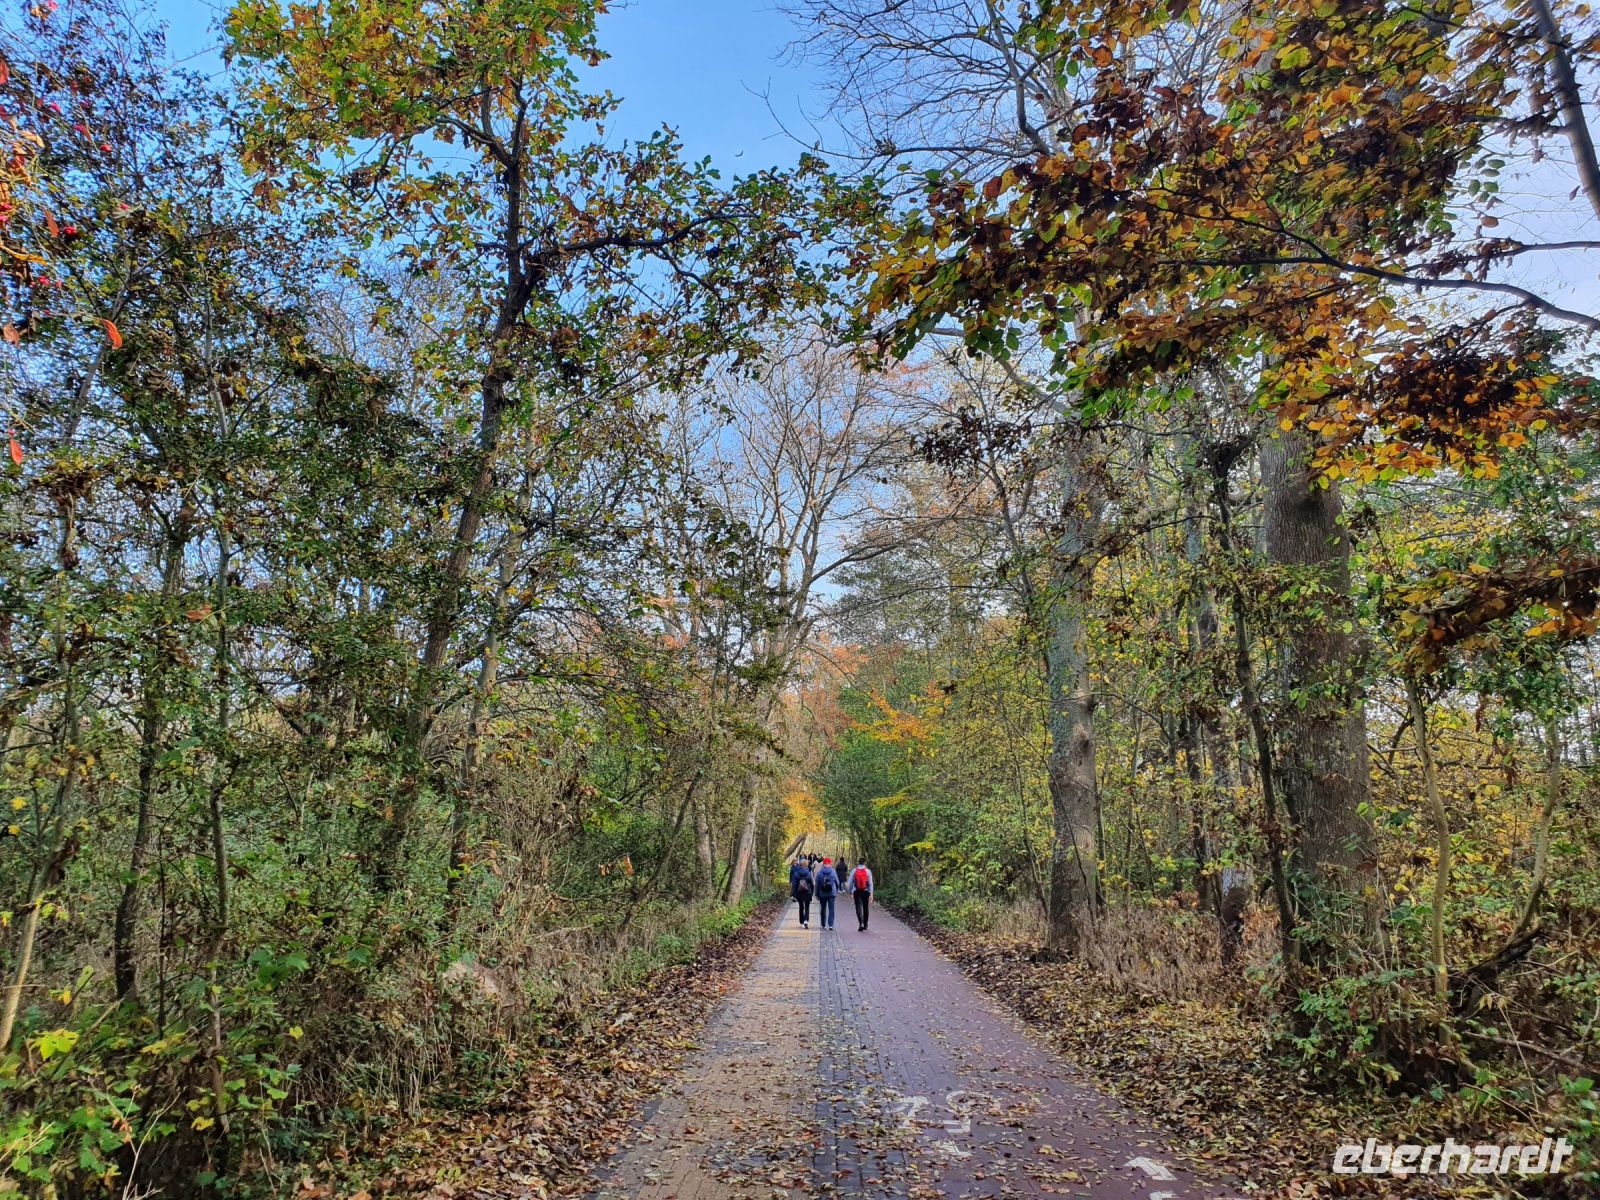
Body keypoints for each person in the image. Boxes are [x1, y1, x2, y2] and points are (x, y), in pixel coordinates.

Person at [813, 857, 840, 931]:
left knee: (823, 909)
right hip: (832, 894)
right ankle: (830, 925)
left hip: (822, 894)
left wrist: (816, 894)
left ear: (823, 864)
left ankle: (823, 924)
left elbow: (817, 885)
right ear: (830, 863)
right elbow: (837, 882)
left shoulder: (819, 873)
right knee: (831, 909)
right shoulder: (833, 871)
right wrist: (836, 890)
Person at [848, 859, 874, 931]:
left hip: (857, 891)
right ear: (864, 863)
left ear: (858, 862)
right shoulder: (868, 871)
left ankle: (861, 923)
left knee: (858, 907)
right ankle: (865, 924)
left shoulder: (854, 871)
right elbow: (871, 883)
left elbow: (850, 883)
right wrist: (871, 894)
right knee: (866, 908)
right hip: (865, 891)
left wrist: (850, 891)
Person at [790, 857, 814, 928]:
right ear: (806, 865)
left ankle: (801, 922)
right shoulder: (809, 873)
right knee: (807, 907)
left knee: (801, 907)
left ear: (799, 864)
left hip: (799, 893)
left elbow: (794, 885)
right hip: (808, 892)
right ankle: (806, 921)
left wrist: (793, 894)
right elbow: (812, 884)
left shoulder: (796, 873)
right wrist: (812, 893)